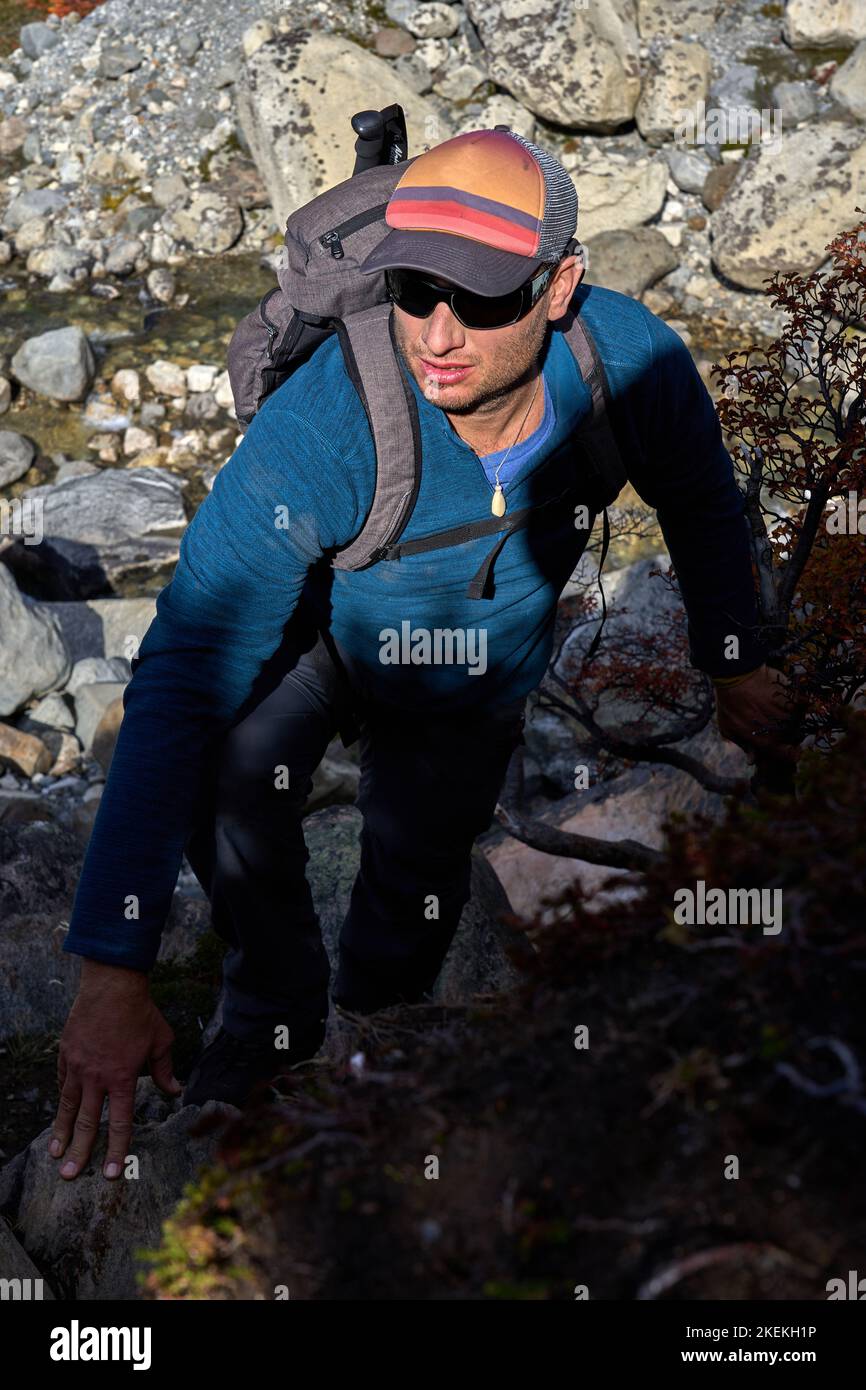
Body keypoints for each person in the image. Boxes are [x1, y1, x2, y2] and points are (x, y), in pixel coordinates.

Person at [49, 128, 797, 1180]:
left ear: (559, 284)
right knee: (227, 783)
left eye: (484, 299)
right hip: (322, 632)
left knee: (415, 875)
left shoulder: (631, 365)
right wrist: (110, 969)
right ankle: (267, 1019)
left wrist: (732, 660)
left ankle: (373, 1043)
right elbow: (179, 677)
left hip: (473, 672)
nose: (438, 334)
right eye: (412, 290)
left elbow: (704, 506)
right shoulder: (322, 430)